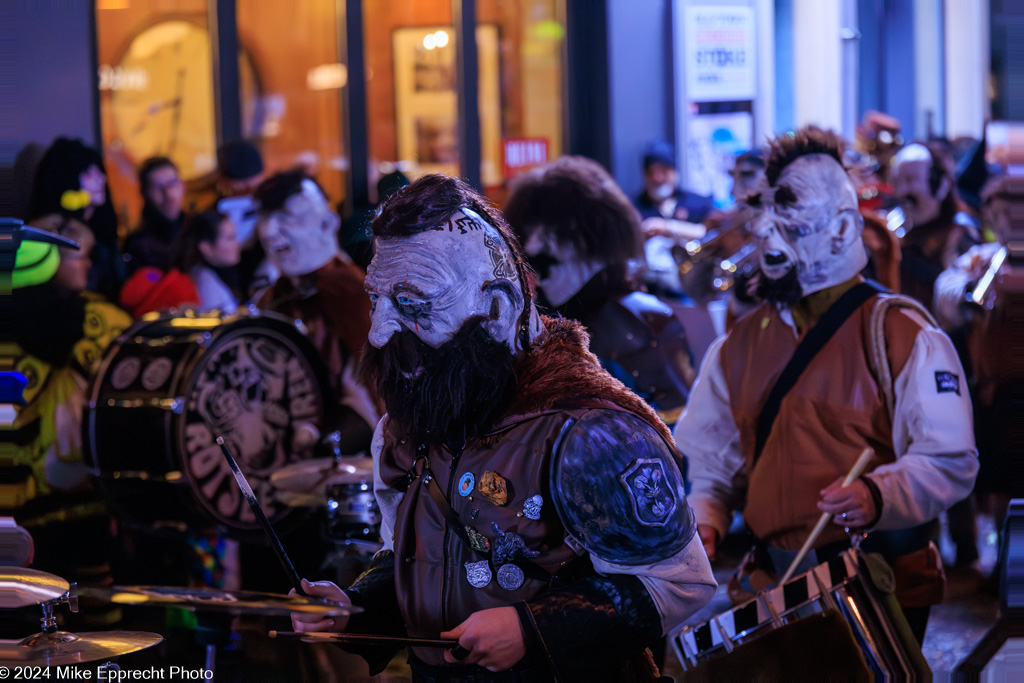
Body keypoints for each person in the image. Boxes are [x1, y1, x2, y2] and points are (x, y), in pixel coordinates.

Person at [291, 174, 715, 680]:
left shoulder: (590, 432)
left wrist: (534, 628)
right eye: (376, 299)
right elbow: (412, 556)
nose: (380, 332)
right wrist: (353, 607)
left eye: (411, 302)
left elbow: (678, 583)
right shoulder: (405, 430)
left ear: (495, 308)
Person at [673, 126, 978, 644]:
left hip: (877, 587)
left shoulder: (903, 330)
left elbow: (950, 460)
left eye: (788, 210)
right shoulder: (739, 344)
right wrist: (706, 515)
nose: (765, 229)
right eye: (763, 209)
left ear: (841, 229)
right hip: (773, 586)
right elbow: (710, 463)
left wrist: (878, 494)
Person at [504, 155, 696, 420]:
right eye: (530, 259)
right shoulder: (530, 324)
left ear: (587, 244)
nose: (538, 274)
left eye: (546, 256)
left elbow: (678, 431)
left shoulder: (639, 319)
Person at [254, 170, 378, 455]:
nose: (270, 231)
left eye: (289, 216)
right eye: (265, 218)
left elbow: (370, 393)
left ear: (327, 224)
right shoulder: (274, 297)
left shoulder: (351, 292)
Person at [27, 137, 124, 300]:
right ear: (67, 179)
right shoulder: (54, 232)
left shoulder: (104, 228)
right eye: (88, 174)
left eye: (99, 171)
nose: (101, 179)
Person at [890, 141, 978, 309]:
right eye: (897, 182)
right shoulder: (895, 228)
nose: (902, 192)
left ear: (939, 184)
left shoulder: (959, 234)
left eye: (910, 180)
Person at [123, 156, 187, 274]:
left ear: (183, 186)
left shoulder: (197, 230)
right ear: (144, 194)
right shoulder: (137, 245)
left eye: (172, 183)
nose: (168, 194)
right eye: (159, 187)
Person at [172, 210, 242, 314]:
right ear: (206, 247)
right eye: (230, 238)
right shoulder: (206, 287)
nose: (238, 244)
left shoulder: (209, 275)